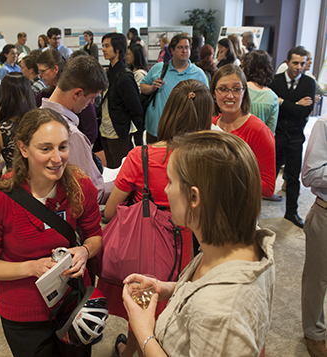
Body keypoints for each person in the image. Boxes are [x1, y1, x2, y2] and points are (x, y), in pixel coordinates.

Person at [122, 130, 275, 357]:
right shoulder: (237, 240)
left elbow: (214, 308)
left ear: (194, 198)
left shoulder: (223, 309)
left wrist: (144, 331)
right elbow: (206, 286)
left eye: (170, 181)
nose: (165, 189)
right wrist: (171, 289)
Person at [0, 108, 102, 357]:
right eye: (45, 149)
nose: (57, 158)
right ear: (23, 149)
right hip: (23, 313)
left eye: (63, 147)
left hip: (73, 303)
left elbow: (95, 235)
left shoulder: (80, 186)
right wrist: (31, 268)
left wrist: (85, 251)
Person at [102, 79, 213, 357]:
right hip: (186, 248)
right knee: (175, 304)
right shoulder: (209, 161)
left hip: (145, 244)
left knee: (141, 303)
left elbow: (110, 211)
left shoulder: (140, 157)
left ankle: (130, 349)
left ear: (168, 110)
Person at [40, 55, 112, 204]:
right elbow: (92, 193)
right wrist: (125, 183)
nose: (91, 103)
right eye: (92, 97)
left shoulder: (36, 116)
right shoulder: (71, 135)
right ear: (77, 93)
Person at [211, 64, 275, 198]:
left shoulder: (259, 131)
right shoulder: (210, 124)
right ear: (213, 93)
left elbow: (268, 188)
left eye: (236, 89)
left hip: (240, 208)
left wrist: (233, 172)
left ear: (244, 92)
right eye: (223, 89)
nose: (230, 95)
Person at [270, 46, 315, 228]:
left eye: (302, 64)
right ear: (287, 62)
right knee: (270, 170)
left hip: (296, 135)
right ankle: (257, 207)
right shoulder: (275, 81)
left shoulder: (308, 83)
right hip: (278, 133)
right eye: (295, 63)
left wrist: (284, 103)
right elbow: (274, 105)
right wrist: (294, 105)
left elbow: (305, 111)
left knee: (293, 175)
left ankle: (291, 212)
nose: (299, 67)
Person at [140, 33, 208, 143]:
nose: (184, 51)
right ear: (172, 50)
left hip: (185, 131)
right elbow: (143, 86)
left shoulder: (198, 74)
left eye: (187, 47)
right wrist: (152, 87)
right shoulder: (159, 68)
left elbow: (206, 101)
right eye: (180, 47)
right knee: (154, 158)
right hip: (156, 128)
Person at [301, 115, 327, 357]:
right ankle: (314, 332)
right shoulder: (324, 124)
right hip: (325, 213)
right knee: (318, 278)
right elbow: (309, 175)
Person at [36, 49, 98, 145]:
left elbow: (91, 132)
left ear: (55, 69)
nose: (40, 75)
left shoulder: (79, 95)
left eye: (43, 71)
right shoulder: (44, 95)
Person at [100, 33, 143, 168]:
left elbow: (136, 109)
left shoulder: (124, 76)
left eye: (107, 46)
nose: (103, 49)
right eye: (103, 46)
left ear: (118, 49)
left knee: (121, 172)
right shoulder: (110, 72)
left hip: (119, 134)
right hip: (105, 131)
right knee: (111, 168)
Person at [241, 50, 279, 134]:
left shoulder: (240, 90)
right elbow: (271, 131)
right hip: (259, 142)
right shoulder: (273, 97)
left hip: (237, 141)